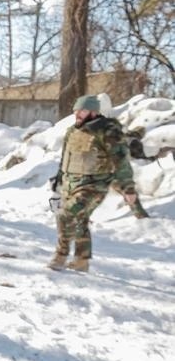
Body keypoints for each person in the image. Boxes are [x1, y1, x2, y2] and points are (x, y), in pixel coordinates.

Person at [48, 95, 142, 272]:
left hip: (94, 184)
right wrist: (59, 179)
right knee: (79, 219)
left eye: (82, 111)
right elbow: (65, 157)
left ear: (93, 112)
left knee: (65, 214)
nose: (78, 114)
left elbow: (121, 161)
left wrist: (128, 188)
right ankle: (81, 261)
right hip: (70, 183)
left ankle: (60, 255)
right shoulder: (72, 130)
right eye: (76, 110)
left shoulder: (107, 131)